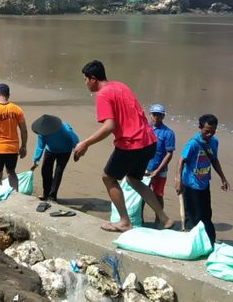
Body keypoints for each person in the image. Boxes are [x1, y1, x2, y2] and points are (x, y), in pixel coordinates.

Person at [73, 60, 174, 232]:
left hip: (131, 143)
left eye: (85, 79)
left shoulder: (102, 94)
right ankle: (164, 218)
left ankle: (124, 221)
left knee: (108, 178)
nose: (85, 83)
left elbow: (109, 126)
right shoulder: (121, 86)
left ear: (93, 79)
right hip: (149, 141)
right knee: (134, 179)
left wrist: (85, 143)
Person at [176, 114, 230, 245]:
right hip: (190, 184)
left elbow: (214, 160)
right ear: (200, 128)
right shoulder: (193, 144)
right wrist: (178, 180)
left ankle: (209, 240)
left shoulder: (214, 142)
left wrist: (223, 178)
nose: (210, 135)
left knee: (206, 215)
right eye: (207, 132)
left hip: (204, 183)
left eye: (213, 131)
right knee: (193, 216)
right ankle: (191, 242)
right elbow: (181, 160)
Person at [29, 114, 79, 202]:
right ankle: (46, 193)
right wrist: (35, 160)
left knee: (58, 172)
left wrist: (77, 153)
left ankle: (52, 196)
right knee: (45, 170)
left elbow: (75, 139)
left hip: (65, 151)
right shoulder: (42, 131)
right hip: (50, 150)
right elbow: (40, 146)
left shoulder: (64, 127)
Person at [142, 104, 176, 222]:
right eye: (154, 114)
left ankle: (159, 220)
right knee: (141, 195)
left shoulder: (168, 133)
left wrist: (158, 170)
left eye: (159, 115)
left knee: (158, 195)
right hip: (144, 168)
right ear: (150, 115)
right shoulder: (145, 128)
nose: (156, 117)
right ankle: (139, 218)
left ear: (163, 116)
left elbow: (169, 154)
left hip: (160, 170)